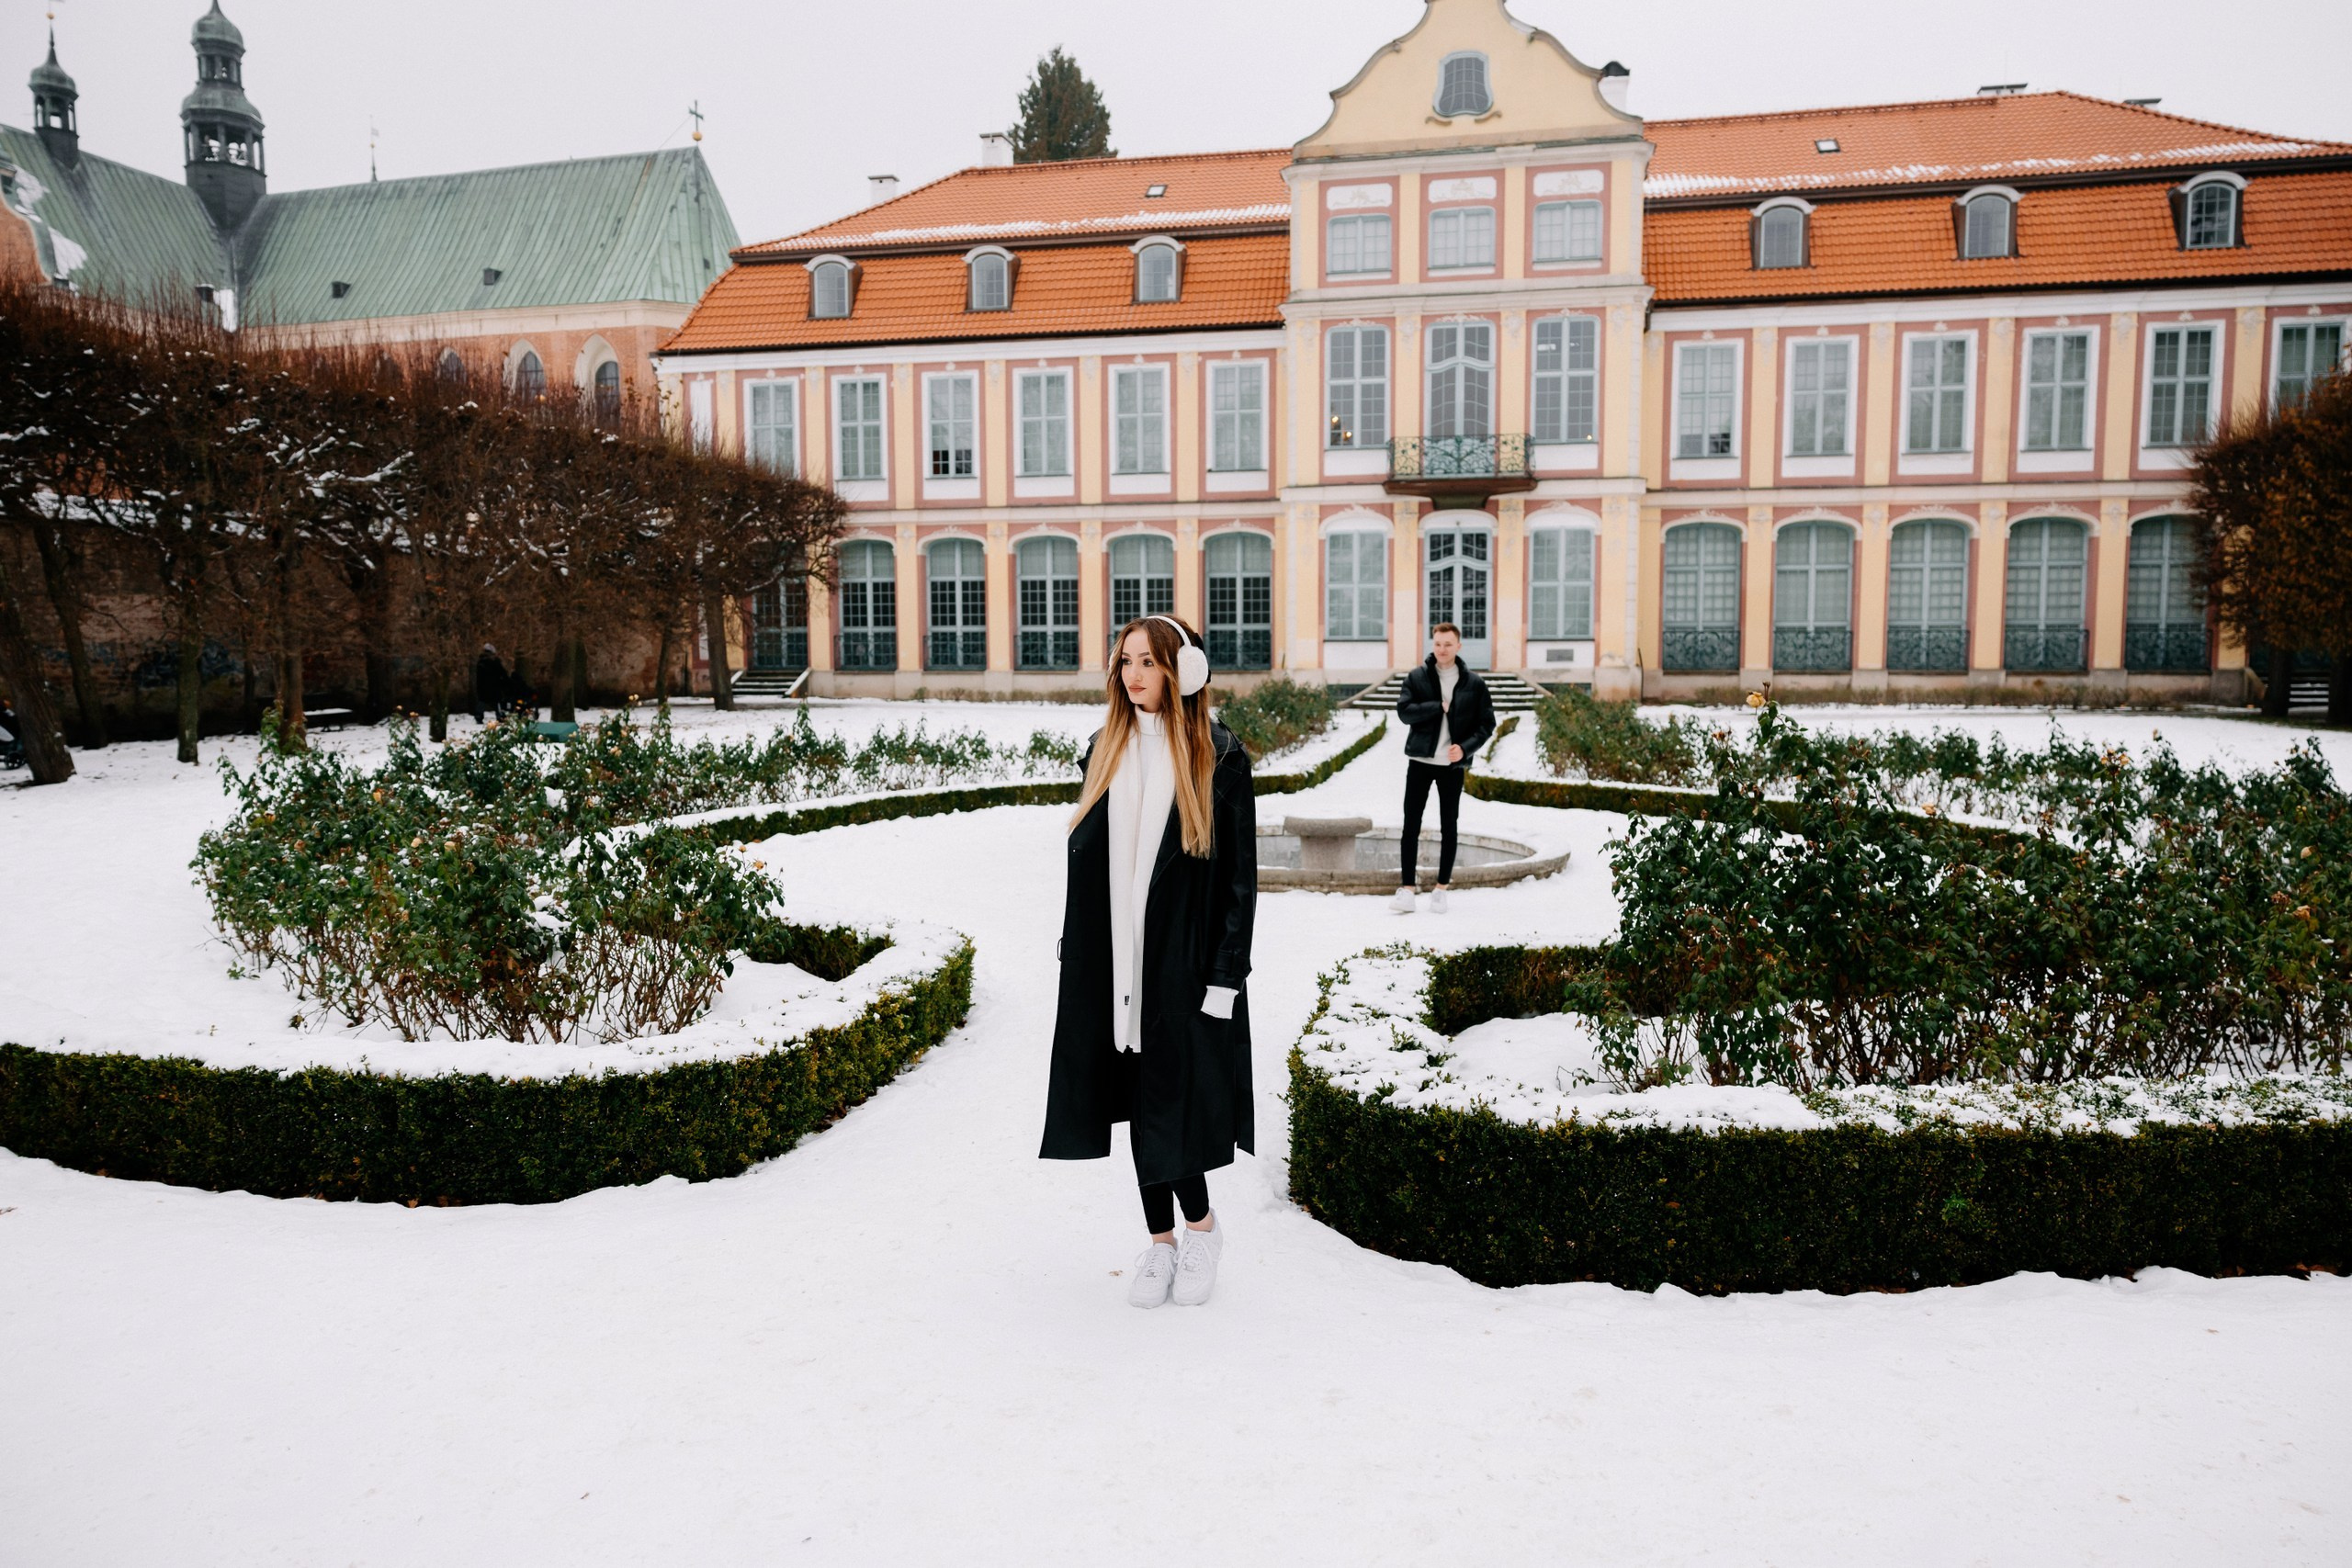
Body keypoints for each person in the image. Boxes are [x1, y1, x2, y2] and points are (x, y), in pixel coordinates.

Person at [1040, 615, 1257, 1310]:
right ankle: (1161, 1242)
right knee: (1136, 1100)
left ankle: (1202, 1229)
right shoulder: (1105, 746)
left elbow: (1240, 882)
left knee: (1170, 1103)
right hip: (1114, 962)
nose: (1133, 675)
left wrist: (1225, 974)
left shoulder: (1220, 757)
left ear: (1182, 671)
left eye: (1149, 662)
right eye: (1125, 660)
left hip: (1182, 966)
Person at [1392, 623, 1495, 914]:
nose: (1442, 649)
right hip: (1420, 762)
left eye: (1448, 644)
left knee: (1449, 826)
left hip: (1451, 766)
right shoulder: (1417, 677)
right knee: (1410, 825)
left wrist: (1465, 748)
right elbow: (1404, 712)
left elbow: (1487, 724)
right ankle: (1407, 890)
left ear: (1458, 646)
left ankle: (1441, 889)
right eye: (1437, 643)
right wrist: (1436, 707)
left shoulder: (1474, 683)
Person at [471, 643, 509, 724]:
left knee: (483, 701)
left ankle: (479, 715)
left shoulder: (481, 662)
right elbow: (502, 673)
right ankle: (500, 715)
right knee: (497, 701)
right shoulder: (494, 662)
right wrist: (504, 681)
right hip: (494, 686)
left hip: (483, 686)